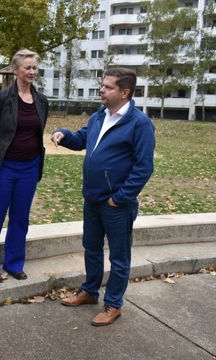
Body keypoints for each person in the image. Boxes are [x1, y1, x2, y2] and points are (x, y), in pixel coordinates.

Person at [51, 68, 155, 326]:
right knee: (92, 248)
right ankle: (89, 291)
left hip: (116, 204)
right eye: (102, 86)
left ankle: (113, 304)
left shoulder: (139, 123)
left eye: (108, 87)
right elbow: (83, 138)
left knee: (119, 257)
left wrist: (119, 198)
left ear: (124, 92)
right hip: (93, 198)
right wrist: (64, 135)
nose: (102, 90)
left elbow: (144, 167)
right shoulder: (101, 115)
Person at [0, 49, 49, 283]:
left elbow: (38, 131)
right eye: (27, 67)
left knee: (20, 218)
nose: (31, 71)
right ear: (16, 70)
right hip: (3, 167)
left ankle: (14, 263)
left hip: (29, 168)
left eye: (34, 67)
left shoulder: (41, 100)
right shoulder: (1, 98)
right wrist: (0, 151)